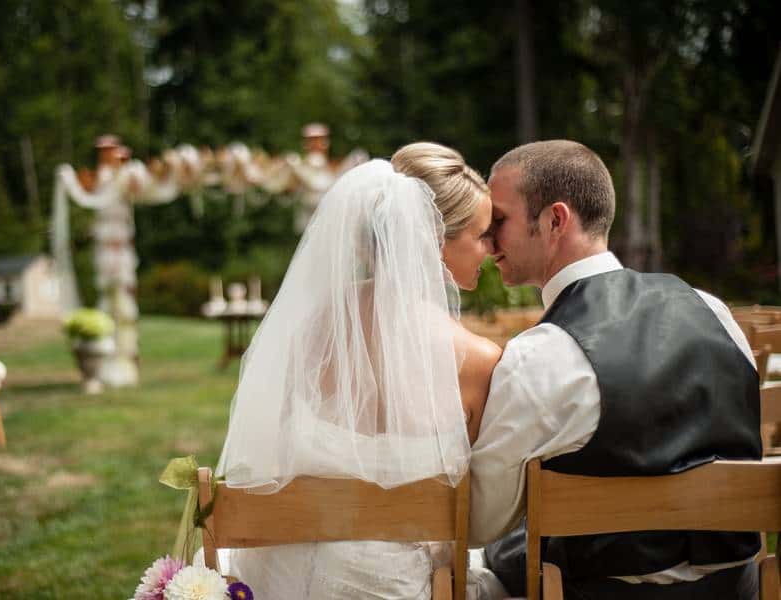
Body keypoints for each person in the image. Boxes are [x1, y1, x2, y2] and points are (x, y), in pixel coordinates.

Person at [470, 140, 762, 599]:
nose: (487, 240)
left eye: (499, 221)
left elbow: (482, 519)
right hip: (737, 589)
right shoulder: (713, 310)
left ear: (555, 220)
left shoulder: (542, 355)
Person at [212, 142, 501, 599]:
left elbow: (273, 455)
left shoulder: (310, 329)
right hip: (395, 585)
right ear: (434, 240)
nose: (491, 248)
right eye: (482, 235)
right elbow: (480, 509)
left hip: (281, 574)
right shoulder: (479, 360)